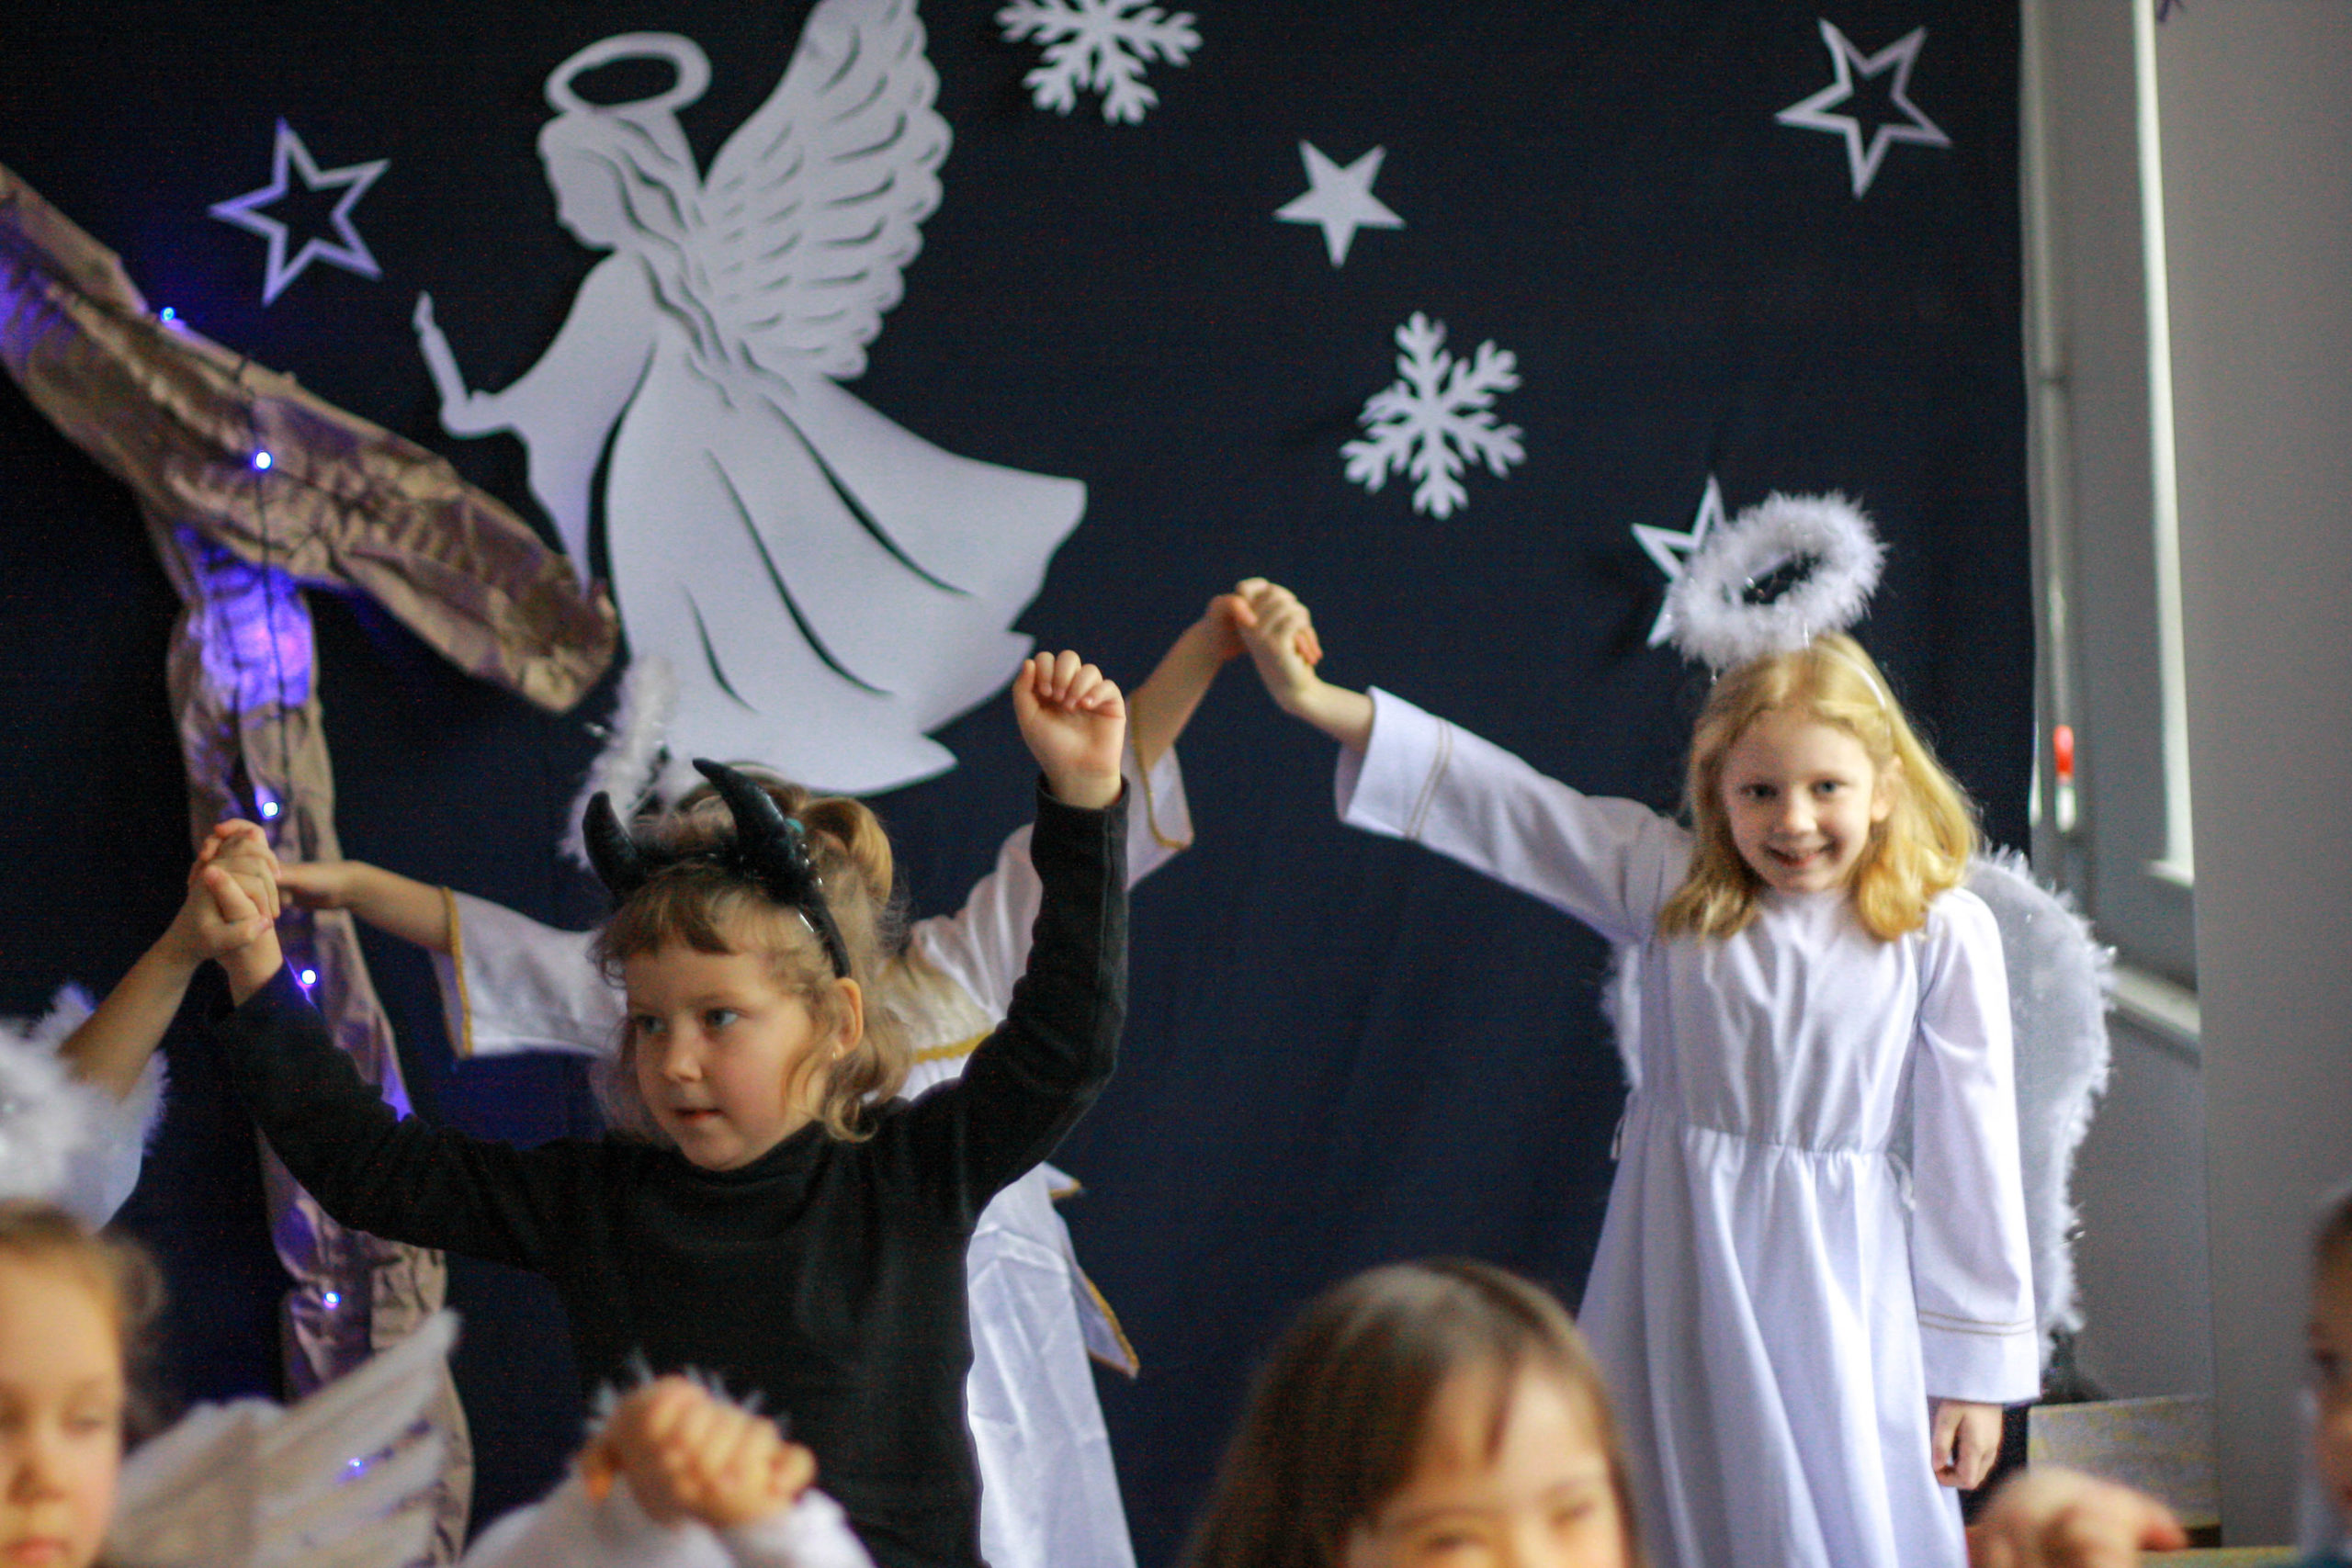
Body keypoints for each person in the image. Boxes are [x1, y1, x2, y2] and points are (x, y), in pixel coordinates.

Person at [271, 592, 1305, 1568]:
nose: (675, 1058)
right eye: (649, 1024)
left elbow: (1065, 1036)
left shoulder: (912, 1168)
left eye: (719, 1019)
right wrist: (255, 972)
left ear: (836, 1014)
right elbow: (373, 1165)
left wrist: (1083, 790)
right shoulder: (599, 1201)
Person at [1233, 581, 2039, 1568]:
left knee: (1835, 1498)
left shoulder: (1936, 930)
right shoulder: (1672, 886)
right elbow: (1510, 806)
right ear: (1716, 792)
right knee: (1674, 1490)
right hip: (1679, 1258)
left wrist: (1972, 1373)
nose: (1793, 820)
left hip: (1836, 1281)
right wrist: (1316, 702)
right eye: (1759, 791)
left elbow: (1973, 1151)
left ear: (1883, 787)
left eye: (1825, 787)